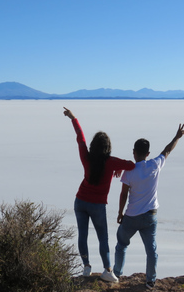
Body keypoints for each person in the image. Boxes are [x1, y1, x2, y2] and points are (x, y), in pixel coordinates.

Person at [63, 107, 135, 283]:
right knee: (103, 237)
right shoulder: (111, 162)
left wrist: (73, 118)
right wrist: (118, 167)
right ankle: (108, 270)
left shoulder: (86, 158)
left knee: (82, 235)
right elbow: (132, 165)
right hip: (97, 206)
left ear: (93, 147)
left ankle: (86, 267)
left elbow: (80, 138)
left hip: (80, 201)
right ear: (108, 147)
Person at [113, 124, 184, 289]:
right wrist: (177, 137)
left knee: (122, 244)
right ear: (147, 154)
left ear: (134, 152)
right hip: (150, 216)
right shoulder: (154, 165)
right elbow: (167, 150)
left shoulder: (129, 171)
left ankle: (117, 274)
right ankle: (150, 280)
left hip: (131, 216)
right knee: (151, 249)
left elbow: (123, 194)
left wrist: (119, 213)